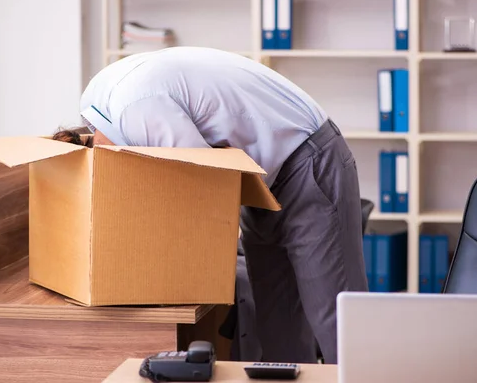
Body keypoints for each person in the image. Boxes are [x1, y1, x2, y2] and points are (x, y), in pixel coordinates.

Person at [54, 46, 368, 364]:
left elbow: (204, 192)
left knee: (335, 316)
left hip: (306, 153)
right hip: (258, 172)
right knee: (276, 320)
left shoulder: (140, 114)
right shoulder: (95, 105)